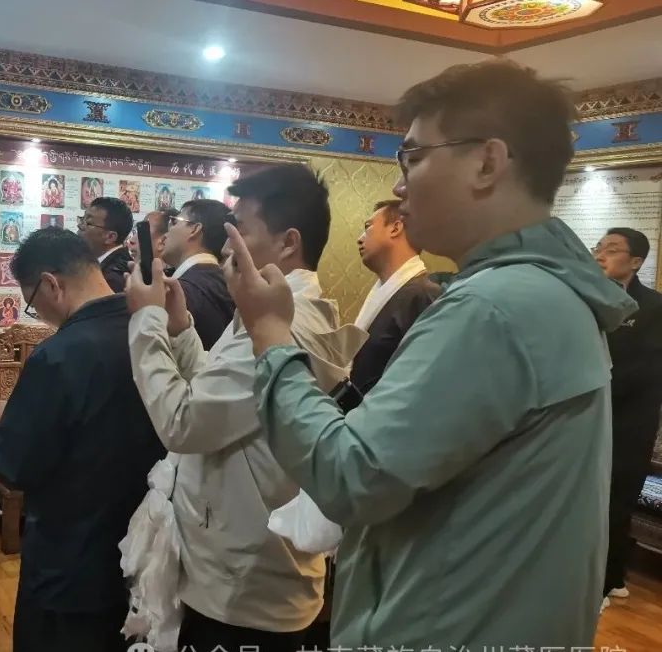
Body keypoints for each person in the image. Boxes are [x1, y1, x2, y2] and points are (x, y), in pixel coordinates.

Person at [223, 60, 638, 648]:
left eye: (412, 158)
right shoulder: (549, 292)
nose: (399, 187)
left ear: (487, 162)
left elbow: (349, 475)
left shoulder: (495, 308)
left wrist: (268, 331)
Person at [126, 165, 361, 651]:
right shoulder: (269, 311)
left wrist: (146, 320)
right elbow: (219, 401)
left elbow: (183, 423)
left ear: (288, 242)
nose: (226, 247)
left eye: (241, 230)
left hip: (244, 588)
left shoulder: (286, 323)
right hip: (241, 568)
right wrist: (180, 329)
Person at [0, 228, 164, 652]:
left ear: (51, 284)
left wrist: (6, 420)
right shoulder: (150, 332)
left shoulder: (59, 354)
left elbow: (17, 464)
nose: (39, 314)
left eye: (32, 302)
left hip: (70, 560)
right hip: (143, 550)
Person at [594, 227, 662, 607]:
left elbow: (644, 371)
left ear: (636, 261)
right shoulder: (588, 299)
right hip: (591, 416)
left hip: (629, 422)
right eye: (599, 247)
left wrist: (592, 386)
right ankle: (610, 577)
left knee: (616, 500)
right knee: (589, 500)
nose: (600, 254)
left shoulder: (653, 307)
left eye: (612, 249)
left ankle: (604, 582)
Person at [351, 198, 442, 395]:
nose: (359, 238)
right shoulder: (387, 291)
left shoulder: (423, 296)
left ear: (395, 228)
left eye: (368, 227)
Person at [159, 199, 236, 350]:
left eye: (174, 222)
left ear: (194, 229)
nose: (165, 235)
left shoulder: (180, 293)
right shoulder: (224, 281)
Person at [79, 196, 133, 293]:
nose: (80, 226)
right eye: (82, 220)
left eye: (88, 223)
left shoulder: (114, 279)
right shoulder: (98, 265)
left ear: (110, 237)